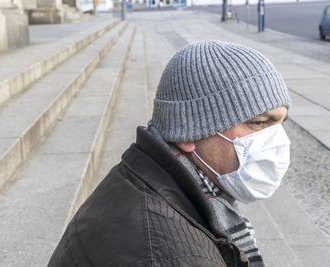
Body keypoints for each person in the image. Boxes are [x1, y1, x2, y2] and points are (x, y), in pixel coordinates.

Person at [48, 40, 291, 267]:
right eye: (259, 123)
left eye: (281, 123)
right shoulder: (172, 254)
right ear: (189, 132)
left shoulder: (143, 175)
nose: (278, 140)